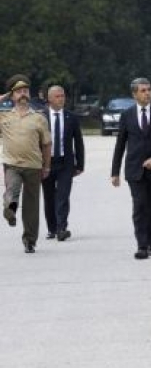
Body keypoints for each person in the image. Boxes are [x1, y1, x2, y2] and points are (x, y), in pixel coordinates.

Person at [111, 78, 151, 260]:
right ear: (135, 94)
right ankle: (141, 245)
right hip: (134, 170)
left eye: (149, 90)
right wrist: (115, 172)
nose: (147, 93)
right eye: (143, 90)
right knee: (139, 206)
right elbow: (120, 145)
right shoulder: (127, 115)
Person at [0, 74, 52, 253]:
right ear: (12, 96)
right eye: (18, 92)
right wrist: (3, 97)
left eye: (25, 91)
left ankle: (29, 240)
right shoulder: (4, 117)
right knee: (12, 191)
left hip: (33, 166)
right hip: (12, 164)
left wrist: (46, 166)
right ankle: (10, 210)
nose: (23, 94)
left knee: (31, 205)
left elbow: (46, 144)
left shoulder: (39, 118)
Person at [41, 85, 85, 241]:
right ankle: (52, 228)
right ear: (50, 99)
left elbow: (78, 142)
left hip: (65, 163)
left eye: (63, 96)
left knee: (63, 195)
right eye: (58, 96)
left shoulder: (71, 117)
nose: (62, 99)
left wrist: (80, 164)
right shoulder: (41, 117)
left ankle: (61, 228)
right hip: (46, 163)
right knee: (49, 196)